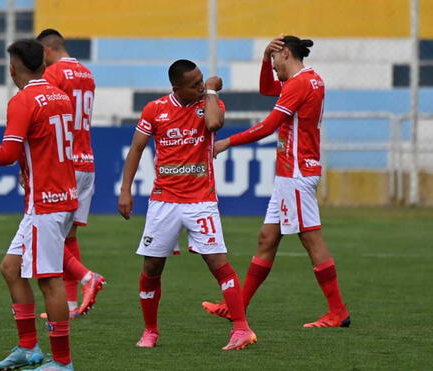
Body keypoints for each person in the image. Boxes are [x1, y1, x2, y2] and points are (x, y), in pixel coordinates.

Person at [201, 35, 351, 328]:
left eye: (273, 60)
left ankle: (338, 312)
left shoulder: (298, 84)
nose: (273, 67)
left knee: (311, 239)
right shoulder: (310, 80)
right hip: (290, 173)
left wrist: (227, 142)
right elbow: (267, 89)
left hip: (296, 173)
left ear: (285, 54)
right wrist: (263, 59)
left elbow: (269, 126)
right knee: (267, 239)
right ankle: (238, 307)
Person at [118, 59, 257, 350]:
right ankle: (150, 332)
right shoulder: (155, 110)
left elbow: (214, 123)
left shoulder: (208, 103)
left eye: (202, 80)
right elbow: (137, 148)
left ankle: (242, 329)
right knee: (152, 267)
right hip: (163, 202)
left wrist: (210, 93)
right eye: (194, 84)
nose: (200, 86)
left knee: (218, 263)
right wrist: (126, 190)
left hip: (201, 201)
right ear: (176, 88)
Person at [0, 39, 77, 371]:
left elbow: (7, 153)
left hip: (46, 201)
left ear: (12, 69)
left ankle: (62, 363)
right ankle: (27, 347)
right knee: (11, 268)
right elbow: (43, 144)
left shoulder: (22, 100)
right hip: (58, 196)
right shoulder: (61, 95)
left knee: (50, 280)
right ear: (44, 65)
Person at [36, 28, 105, 319]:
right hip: (86, 160)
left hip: (63, 163)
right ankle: (71, 304)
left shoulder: (53, 75)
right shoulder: (87, 74)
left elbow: (48, 116)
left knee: (45, 232)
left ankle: (88, 278)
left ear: (47, 51)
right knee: (68, 234)